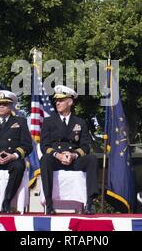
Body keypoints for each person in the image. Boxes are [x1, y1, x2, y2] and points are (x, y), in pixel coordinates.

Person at [40, 85, 98, 215]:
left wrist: (73, 154)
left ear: (70, 102)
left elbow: (86, 146)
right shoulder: (49, 121)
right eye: (56, 100)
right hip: (56, 160)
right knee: (45, 159)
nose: (57, 103)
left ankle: (90, 203)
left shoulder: (80, 122)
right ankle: (49, 204)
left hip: (73, 160)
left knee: (92, 159)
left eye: (61, 100)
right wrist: (58, 155)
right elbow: (44, 145)